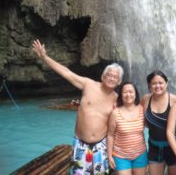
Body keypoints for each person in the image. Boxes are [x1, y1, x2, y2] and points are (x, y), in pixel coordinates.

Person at [32, 39, 123, 175]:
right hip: (81, 144)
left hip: (101, 145)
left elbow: (130, 114)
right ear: (103, 76)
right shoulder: (88, 85)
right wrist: (45, 57)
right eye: (109, 75)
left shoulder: (118, 99)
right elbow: (66, 73)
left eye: (115, 77)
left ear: (119, 81)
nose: (111, 78)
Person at [140, 71, 176, 175]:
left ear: (166, 83)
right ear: (149, 85)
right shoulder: (145, 99)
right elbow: (137, 116)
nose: (157, 86)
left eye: (161, 83)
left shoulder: (175, 100)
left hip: (173, 147)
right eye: (154, 83)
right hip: (154, 147)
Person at [107, 82, 148, 175]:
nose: (128, 94)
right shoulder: (115, 113)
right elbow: (110, 135)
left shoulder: (142, 110)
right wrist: (109, 156)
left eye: (131, 92)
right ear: (121, 95)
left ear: (135, 94)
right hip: (121, 156)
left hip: (140, 154)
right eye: (125, 92)